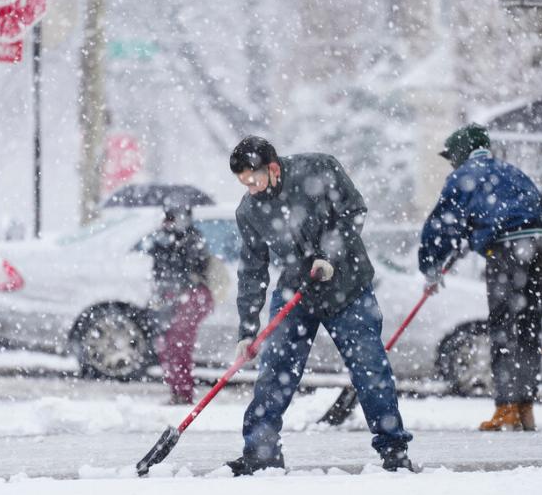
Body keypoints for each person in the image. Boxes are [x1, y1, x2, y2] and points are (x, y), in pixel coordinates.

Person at [226, 135, 413, 475]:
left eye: (253, 180)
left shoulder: (318, 168)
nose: (250, 188)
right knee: (275, 370)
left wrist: (330, 256)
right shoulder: (249, 211)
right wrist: (247, 330)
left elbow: (353, 210)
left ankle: (393, 449)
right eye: (243, 183)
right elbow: (252, 271)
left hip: (347, 285)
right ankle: (260, 452)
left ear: (272, 167)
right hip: (297, 290)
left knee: (369, 368)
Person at [419, 123, 542, 431]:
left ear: (460, 153)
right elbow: (535, 211)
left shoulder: (463, 176)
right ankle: (525, 406)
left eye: (452, 156)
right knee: (528, 325)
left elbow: (442, 225)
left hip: (508, 251)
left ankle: (506, 407)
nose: (451, 163)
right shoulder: (511, 171)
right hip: (538, 245)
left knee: (503, 326)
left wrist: (431, 266)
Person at [147, 198, 214, 405]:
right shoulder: (161, 240)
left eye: (172, 218)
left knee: (180, 344)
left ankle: (183, 392)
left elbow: (195, 266)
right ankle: (175, 390)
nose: (169, 222)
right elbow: (158, 270)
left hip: (190, 295)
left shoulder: (192, 239)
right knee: (165, 344)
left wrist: (178, 244)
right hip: (168, 296)